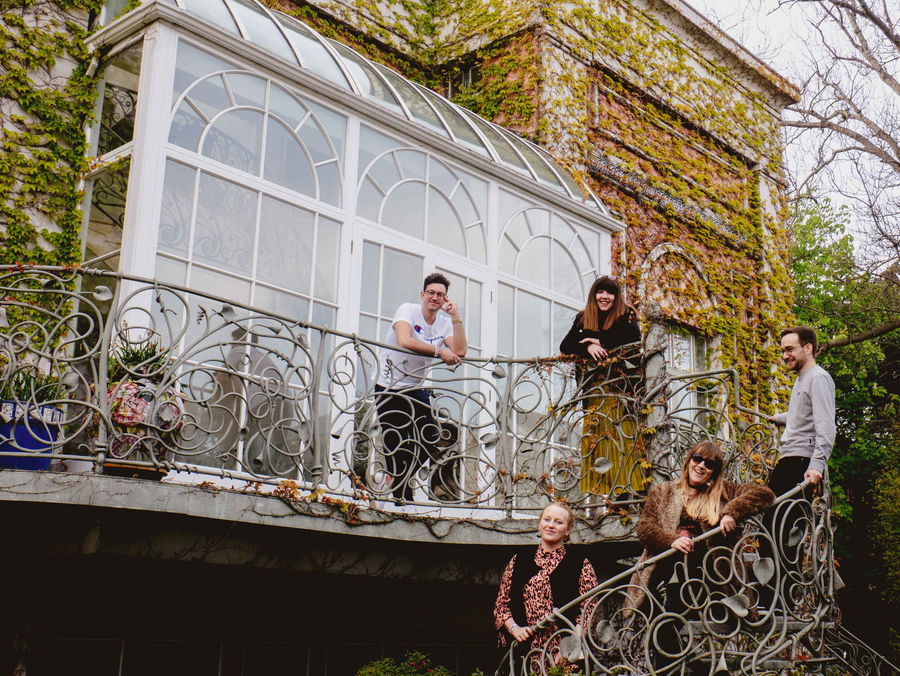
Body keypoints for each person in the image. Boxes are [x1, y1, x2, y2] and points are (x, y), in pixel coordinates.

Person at [624, 442, 775, 667]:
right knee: (657, 624)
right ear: (688, 461)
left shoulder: (725, 492)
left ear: (715, 471)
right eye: (697, 459)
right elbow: (645, 528)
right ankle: (685, 669)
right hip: (663, 567)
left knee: (668, 623)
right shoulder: (663, 491)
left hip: (706, 574)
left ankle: (687, 669)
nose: (701, 466)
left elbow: (765, 494)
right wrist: (672, 540)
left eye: (710, 464)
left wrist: (731, 512)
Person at [374, 273, 467, 500]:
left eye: (441, 295)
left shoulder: (444, 323)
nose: (435, 298)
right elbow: (405, 340)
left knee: (432, 436)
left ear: (445, 299)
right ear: (422, 294)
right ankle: (402, 499)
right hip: (389, 385)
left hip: (414, 387)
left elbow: (461, 351)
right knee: (395, 443)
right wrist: (438, 351)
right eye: (432, 293)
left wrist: (455, 317)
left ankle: (398, 480)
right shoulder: (408, 310)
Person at [559, 276, 641, 497]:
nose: (605, 297)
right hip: (594, 390)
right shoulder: (584, 317)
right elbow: (565, 345)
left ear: (616, 297)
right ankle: (603, 495)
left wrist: (595, 341)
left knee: (618, 438)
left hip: (618, 388)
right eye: (600, 292)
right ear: (594, 295)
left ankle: (624, 493)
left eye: (610, 293)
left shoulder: (627, 315)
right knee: (597, 441)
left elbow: (632, 341)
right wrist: (587, 347)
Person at [494, 502, 598, 672]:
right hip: (524, 654)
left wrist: (570, 647)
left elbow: (589, 609)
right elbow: (501, 605)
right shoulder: (519, 560)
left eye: (558, 522)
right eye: (547, 519)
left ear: (568, 530)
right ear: (540, 524)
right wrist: (515, 629)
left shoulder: (580, 563)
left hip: (564, 655)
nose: (551, 525)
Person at [766, 326, 836, 495]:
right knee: (774, 517)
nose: (784, 356)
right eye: (783, 351)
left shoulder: (818, 378)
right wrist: (780, 418)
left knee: (779, 517)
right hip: (790, 457)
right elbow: (804, 414)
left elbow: (826, 426)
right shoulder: (802, 379)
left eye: (790, 349)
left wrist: (816, 465)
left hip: (801, 461)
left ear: (808, 348)